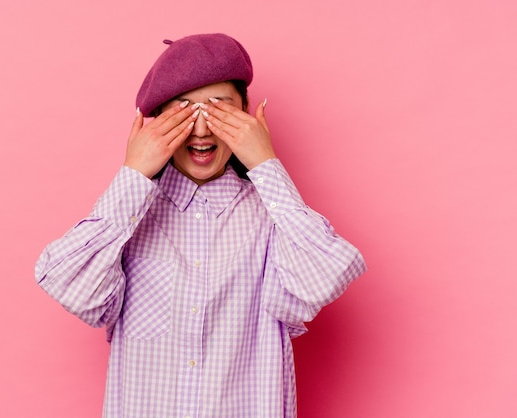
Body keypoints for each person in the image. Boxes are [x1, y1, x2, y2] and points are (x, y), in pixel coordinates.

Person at [35, 33, 366, 418]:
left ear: (246, 116)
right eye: (184, 111)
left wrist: (266, 165)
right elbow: (67, 283)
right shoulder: (127, 218)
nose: (202, 129)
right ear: (156, 122)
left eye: (219, 109)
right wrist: (133, 175)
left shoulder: (273, 220)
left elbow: (325, 277)